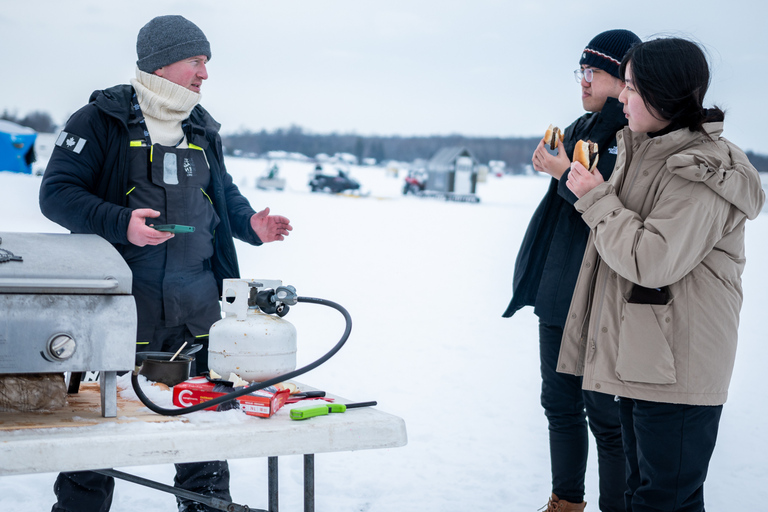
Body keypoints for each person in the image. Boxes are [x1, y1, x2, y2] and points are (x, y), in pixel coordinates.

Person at [39, 15, 292, 512]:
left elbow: (222, 195)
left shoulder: (200, 125)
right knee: (96, 436)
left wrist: (250, 225)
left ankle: (206, 507)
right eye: (196, 62)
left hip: (196, 311)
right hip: (115, 310)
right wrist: (120, 222)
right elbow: (56, 195)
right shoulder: (99, 119)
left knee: (205, 427)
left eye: (206, 63)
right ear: (162, 62)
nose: (204, 74)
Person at [561, 37, 765, 512]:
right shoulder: (644, 152)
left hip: (678, 365)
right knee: (642, 496)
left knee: (664, 502)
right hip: (645, 359)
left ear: (663, 92)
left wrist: (594, 198)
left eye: (631, 86)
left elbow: (651, 261)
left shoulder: (703, 168)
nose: (622, 97)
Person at [503, 29, 641, 512]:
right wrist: (557, 167)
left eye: (594, 71)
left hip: (601, 295)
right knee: (559, 405)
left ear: (624, 78)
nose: (583, 81)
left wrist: (562, 173)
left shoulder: (633, 135)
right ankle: (565, 502)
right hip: (558, 291)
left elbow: (610, 206)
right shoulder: (581, 126)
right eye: (581, 71)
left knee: (606, 416)